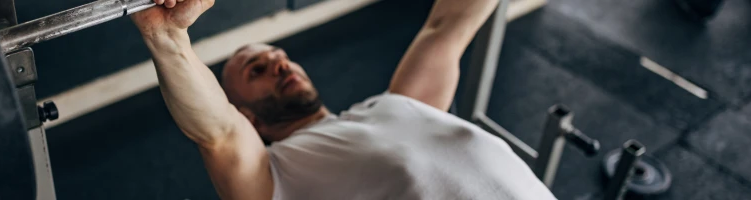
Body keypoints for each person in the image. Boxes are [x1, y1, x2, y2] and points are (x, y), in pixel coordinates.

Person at [131, 0, 556, 199]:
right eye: (256, 70)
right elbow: (218, 133)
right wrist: (164, 34)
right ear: (248, 116)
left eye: (280, 57)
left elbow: (446, 27)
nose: (280, 66)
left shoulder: (399, 102)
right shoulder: (273, 176)